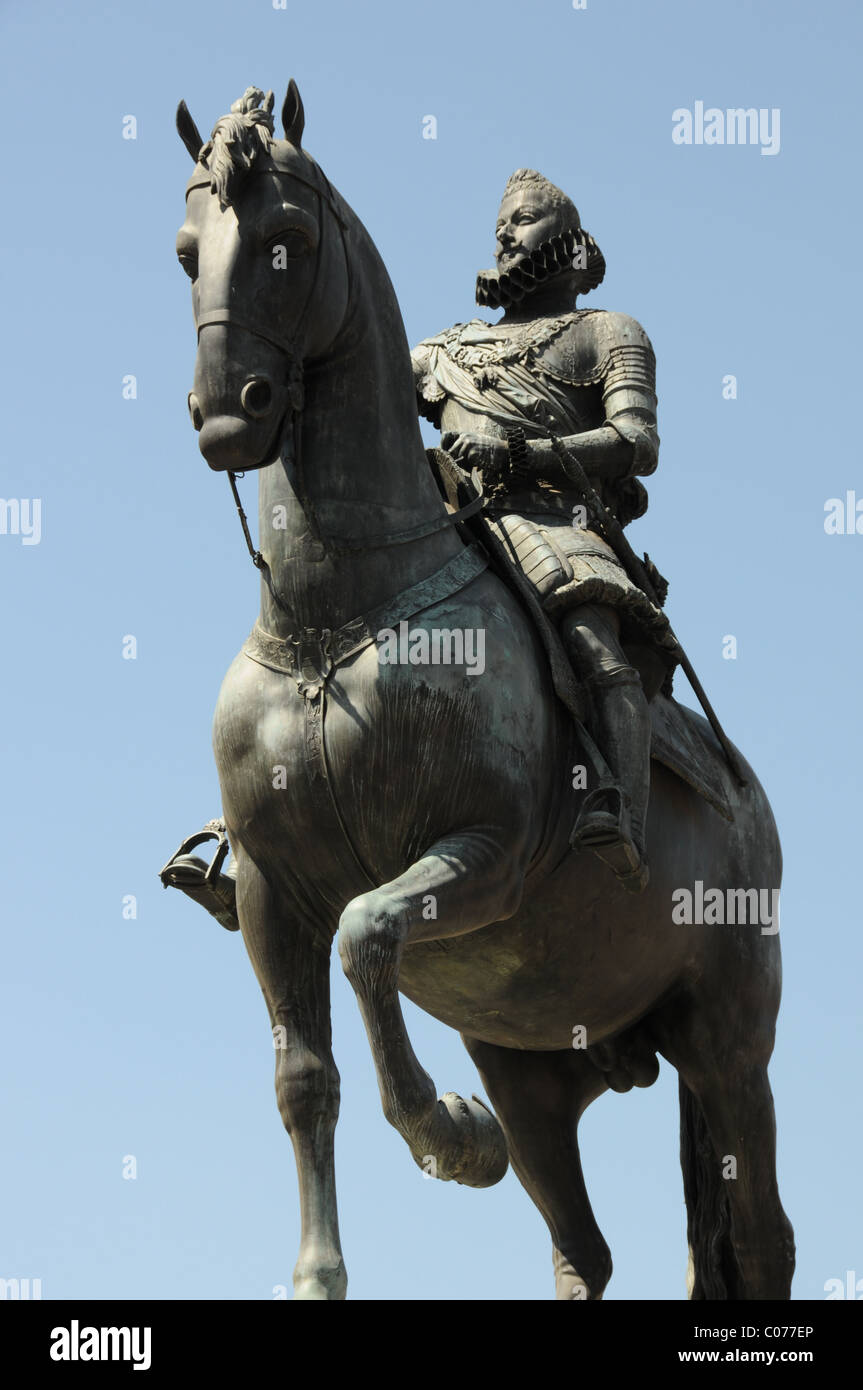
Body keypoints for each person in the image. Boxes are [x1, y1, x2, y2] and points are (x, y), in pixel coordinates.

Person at [411, 169, 677, 892]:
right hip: (446, 515)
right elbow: (361, 394)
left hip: (555, 518)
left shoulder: (606, 332)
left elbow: (635, 441)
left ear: (566, 241)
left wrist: (520, 454)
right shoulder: (444, 350)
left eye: (524, 219)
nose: (504, 232)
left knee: (591, 635)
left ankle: (619, 807)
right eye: (500, 222)